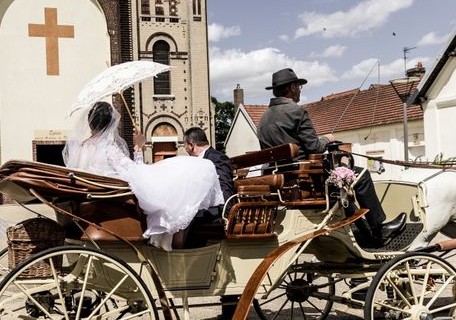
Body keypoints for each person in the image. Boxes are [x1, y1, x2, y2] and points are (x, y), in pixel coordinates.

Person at [257, 68, 406, 242]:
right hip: (306, 178)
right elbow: (314, 148)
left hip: (282, 180)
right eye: (299, 87)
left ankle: (366, 234)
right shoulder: (297, 112)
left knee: (340, 188)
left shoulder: (263, 118)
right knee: (362, 175)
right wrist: (327, 139)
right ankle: (379, 228)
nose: (299, 91)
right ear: (292, 87)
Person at [62, 101, 223, 251]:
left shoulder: (81, 148)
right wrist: (138, 147)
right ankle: (177, 248)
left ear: (91, 123)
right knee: (178, 193)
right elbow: (134, 173)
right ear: (111, 124)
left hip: (92, 200)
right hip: (113, 201)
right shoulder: (107, 148)